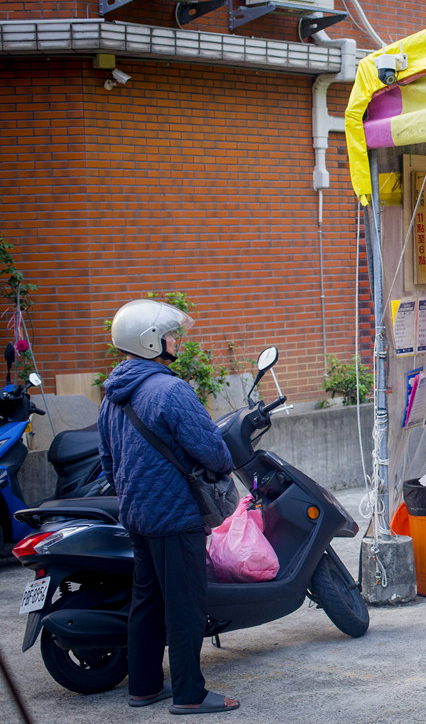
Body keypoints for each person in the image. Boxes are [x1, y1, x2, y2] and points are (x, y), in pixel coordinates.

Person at [97, 299, 239, 713]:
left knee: (147, 599)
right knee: (186, 605)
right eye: (169, 333)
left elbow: (108, 462)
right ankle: (190, 694)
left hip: (137, 515)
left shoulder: (112, 396)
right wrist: (223, 463)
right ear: (150, 341)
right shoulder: (170, 390)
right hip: (176, 515)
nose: (175, 340)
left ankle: (143, 686)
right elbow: (212, 452)